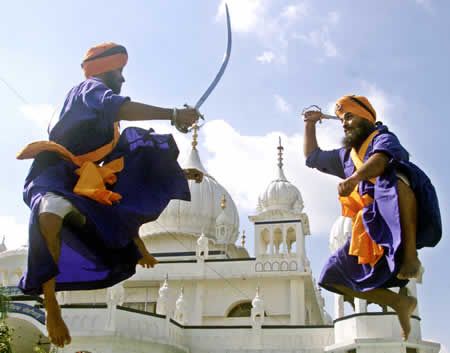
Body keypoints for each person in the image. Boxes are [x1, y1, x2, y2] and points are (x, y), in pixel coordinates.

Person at [16, 42, 204, 347]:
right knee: (48, 216)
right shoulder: (88, 89)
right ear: (106, 70)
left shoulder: (109, 128)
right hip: (53, 173)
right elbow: (119, 105)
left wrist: (177, 173)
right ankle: (51, 306)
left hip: (85, 178)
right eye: (120, 71)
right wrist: (172, 113)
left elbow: (130, 165)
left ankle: (133, 240)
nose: (123, 78)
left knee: (137, 146)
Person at [303, 95, 441, 340]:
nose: (344, 123)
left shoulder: (383, 138)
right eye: (341, 119)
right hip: (372, 226)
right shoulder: (346, 156)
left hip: (403, 213)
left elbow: (380, 161)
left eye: (349, 116)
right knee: (331, 277)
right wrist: (310, 124)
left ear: (366, 117)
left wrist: (355, 179)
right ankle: (399, 303)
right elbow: (312, 158)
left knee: (395, 178)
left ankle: (410, 256)